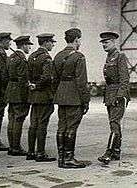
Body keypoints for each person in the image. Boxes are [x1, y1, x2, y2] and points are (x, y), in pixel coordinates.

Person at [53, 28, 90, 168]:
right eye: (79, 39)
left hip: (61, 96)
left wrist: (58, 94)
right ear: (76, 40)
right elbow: (81, 82)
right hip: (74, 96)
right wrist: (85, 100)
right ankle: (69, 158)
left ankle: (61, 158)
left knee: (61, 126)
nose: (79, 42)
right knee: (72, 127)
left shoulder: (57, 56)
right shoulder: (79, 57)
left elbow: (54, 79)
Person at [97, 32, 130, 165]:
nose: (104, 45)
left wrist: (120, 95)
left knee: (114, 122)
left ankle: (109, 152)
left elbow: (124, 78)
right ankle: (116, 150)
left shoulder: (120, 56)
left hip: (117, 94)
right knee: (114, 122)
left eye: (107, 42)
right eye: (103, 43)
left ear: (114, 42)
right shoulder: (109, 56)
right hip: (110, 93)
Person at [26, 33, 56, 162]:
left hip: (34, 95)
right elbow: (47, 77)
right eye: (51, 42)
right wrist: (38, 85)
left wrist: (32, 85)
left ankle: (31, 152)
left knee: (33, 124)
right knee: (42, 124)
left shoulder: (32, 56)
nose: (53, 45)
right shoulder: (46, 58)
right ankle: (40, 153)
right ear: (46, 43)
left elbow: (27, 74)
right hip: (44, 95)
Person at [5, 36, 33, 156]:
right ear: (24, 45)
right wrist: (27, 94)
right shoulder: (21, 58)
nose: (30, 48)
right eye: (29, 45)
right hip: (19, 92)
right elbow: (23, 78)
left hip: (10, 89)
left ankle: (12, 146)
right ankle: (16, 147)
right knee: (18, 119)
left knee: (12, 118)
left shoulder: (11, 57)